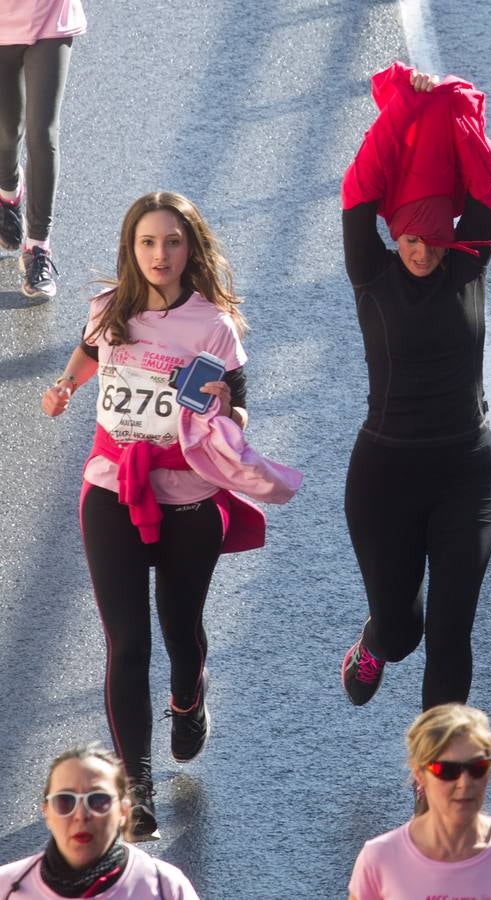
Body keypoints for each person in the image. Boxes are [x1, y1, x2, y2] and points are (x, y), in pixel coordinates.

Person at [41, 191, 301, 842]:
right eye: (148, 243)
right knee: (127, 645)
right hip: (112, 488)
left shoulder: (212, 324)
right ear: (132, 249)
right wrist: (68, 385)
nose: (160, 255)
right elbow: (91, 351)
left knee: (180, 631)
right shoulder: (109, 309)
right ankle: (137, 790)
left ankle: (188, 698)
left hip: (188, 497)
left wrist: (224, 409)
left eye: (172, 242)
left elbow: (240, 406)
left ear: (191, 249)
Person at [340, 63, 491, 710]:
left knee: (450, 631)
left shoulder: (468, 267)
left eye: (435, 238)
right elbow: (359, 187)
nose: (421, 250)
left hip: (468, 469)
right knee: (404, 632)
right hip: (385, 474)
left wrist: (454, 108)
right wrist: (404, 108)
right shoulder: (370, 274)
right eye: (410, 236)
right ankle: (377, 639)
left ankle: (432, 781)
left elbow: (487, 190)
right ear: (394, 231)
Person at [348, 704, 491, 899]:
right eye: (447, 770)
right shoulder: (379, 859)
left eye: (478, 768)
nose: (465, 783)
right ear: (420, 775)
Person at [0, 744, 198, 898]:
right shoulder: (7, 887)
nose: (81, 815)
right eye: (65, 801)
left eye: (98, 800)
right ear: (47, 813)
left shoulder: (165, 888)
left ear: (123, 810)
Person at [0, 0, 86, 299]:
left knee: (43, 134)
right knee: (7, 130)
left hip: (51, 18)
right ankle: (9, 191)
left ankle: (38, 247)